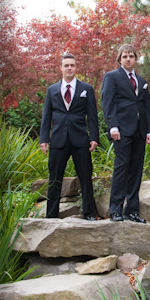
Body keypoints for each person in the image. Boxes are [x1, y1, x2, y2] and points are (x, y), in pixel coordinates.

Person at [39, 53, 99, 220]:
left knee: (85, 178)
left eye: (72, 65)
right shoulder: (52, 90)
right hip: (58, 140)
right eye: (66, 65)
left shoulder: (86, 89)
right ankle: (51, 216)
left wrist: (94, 137)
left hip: (80, 140)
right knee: (54, 180)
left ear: (76, 67)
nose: (69, 68)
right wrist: (44, 139)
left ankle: (89, 213)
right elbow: (46, 117)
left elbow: (92, 116)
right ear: (61, 68)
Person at [101, 44, 150, 223]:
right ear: (119, 59)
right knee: (121, 168)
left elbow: (146, 107)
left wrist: (149, 130)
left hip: (140, 131)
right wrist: (113, 127)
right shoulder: (112, 77)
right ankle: (115, 210)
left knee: (136, 170)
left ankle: (132, 211)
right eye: (125, 56)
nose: (128, 59)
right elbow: (107, 103)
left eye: (131, 56)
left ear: (135, 59)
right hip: (122, 131)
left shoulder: (141, 81)